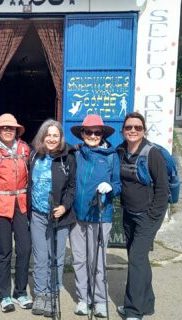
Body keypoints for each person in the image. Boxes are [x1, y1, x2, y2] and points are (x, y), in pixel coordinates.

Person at [116, 112, 169, 320]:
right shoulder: (121, 151)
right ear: (123, 130)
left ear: (143, 130)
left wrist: (152, 215)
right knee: (139, 259)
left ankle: (133, 311)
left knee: (136, 259)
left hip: (148, 215)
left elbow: (163, 189)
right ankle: (146, 304)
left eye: (137, 127)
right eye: (129, 127)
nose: (133, 131)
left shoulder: (152, 153)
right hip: (129, 214)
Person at [69, 114, 121, 318]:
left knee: (97, 261)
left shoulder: (111, 155)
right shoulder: (76, 154)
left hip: (101, 214)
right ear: (82, 133)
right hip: (77, 216)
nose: (92, 135)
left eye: (96, 132)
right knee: (79, 260)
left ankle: (100, 300)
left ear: (102, 134)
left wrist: (110, 188)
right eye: (88, 131)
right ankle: (83, 299)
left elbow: (118, 184)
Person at [28, 119, 76, 317]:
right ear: (42, 136)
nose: (51, 139)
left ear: (61, 138)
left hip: (60, 216)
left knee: (56, 256)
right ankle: (41, 294)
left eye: (55, 135)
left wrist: (64, 206)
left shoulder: (68, 157)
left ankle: (53, 290)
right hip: (38, 214)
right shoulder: (34, 156)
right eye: (48, 135)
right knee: (40, 256)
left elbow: (73, 186)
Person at [0, 113, 32, 313]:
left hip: (21, 204)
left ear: (16, 131)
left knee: (24, 248)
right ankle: (4, 294)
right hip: (0, 205)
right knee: (4, 250)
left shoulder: (25, 149)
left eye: (11, 128)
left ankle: (20, 292)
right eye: (4, 128)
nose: (7, 130)